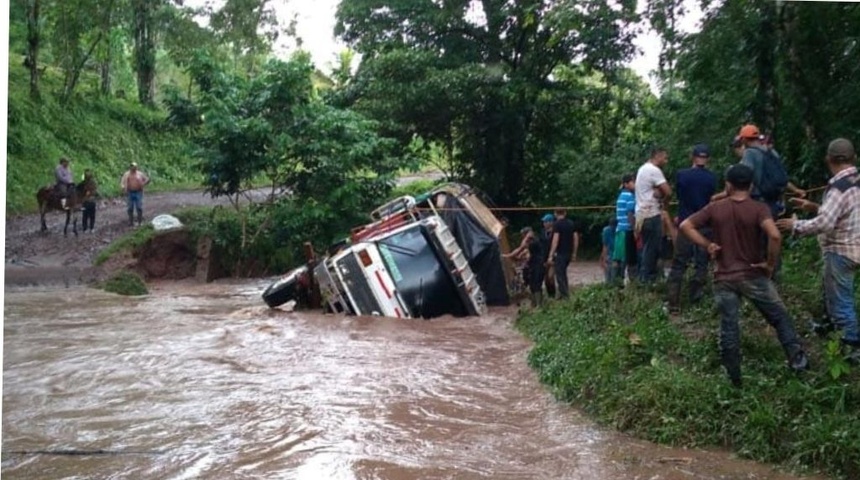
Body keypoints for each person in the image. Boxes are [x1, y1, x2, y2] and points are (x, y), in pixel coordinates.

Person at [680, 164, 809, 387]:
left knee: (729, 325)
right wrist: (769, 265)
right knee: (779, 317)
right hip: (753, 274)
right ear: (750, 185)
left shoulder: (715, 208)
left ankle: (734, 379)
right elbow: (775, 236)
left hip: (724, 277)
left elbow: (685, 225)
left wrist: (708, 244)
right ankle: (799, 365)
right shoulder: (759, 209)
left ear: (728, 185)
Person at [776, 138, 860, 360]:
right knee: (833, 293)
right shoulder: (856, 181)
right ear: (854, 158)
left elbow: (825, 224)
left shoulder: (838, 189)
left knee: (842, 300)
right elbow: (845, 213)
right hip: (855, 245)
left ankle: (852, 348)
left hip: (841, 250)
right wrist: (815, 207)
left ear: (829, 159)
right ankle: (830, 327)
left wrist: (795, 225)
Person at [666, 144, 717, 314]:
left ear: (693, 157)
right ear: (707, 159)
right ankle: (696, 299)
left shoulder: (682, 175)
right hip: (704, 224)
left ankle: (673, 304)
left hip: (686, 223)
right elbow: (711, 200)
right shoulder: (712, 178)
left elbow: (680, 196)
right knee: (701, 263)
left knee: (679, 262)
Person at [635, 147, 671, 284]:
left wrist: (658, 192)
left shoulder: (642, 169)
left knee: (646, 248)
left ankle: (644, 279)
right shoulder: (654, 171)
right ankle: (647, 281)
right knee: (652, 249)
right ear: (657, 156)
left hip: (641, 215)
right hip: (651, 214)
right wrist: (665, 207)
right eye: (664, 158)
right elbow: (668, 192)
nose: (666, 161)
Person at [505, 226, 546, 308]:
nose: (522, 237)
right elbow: (521, 251)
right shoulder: (531, 242)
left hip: (538, 265)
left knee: (536, 284)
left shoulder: (533, 242)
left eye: (523, 235)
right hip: (533, 265)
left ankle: (538, 304)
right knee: (532, 284)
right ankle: (535, 303)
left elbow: (521, 248)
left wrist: (509, 255)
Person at [546, 209, 580, 299]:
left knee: (560, 275)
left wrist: (551, 255)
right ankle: (564, 293)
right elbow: (576, 238)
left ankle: (565, 295)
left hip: (560, 253)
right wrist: (574, 253)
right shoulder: (571, 223)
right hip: (568, 253)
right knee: (563, 273)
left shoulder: (557, 225)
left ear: (555, 214)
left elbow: (555, 240)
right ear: (565, 213)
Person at [612, 174, 637, 285]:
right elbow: (630, 213)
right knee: (629, 259)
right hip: (627, 230)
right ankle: (630, 282)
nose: (635, 184)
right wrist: (634, 228)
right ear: (626, 184)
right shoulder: (630, 196)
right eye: (633, 182)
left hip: (620, 230)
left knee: (619, 258)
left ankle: (616, 282)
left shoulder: (621, 196)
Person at [120, 162, 150, 227]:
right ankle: (131, 222)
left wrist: (144, 183)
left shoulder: (140, 174)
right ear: (130, 167)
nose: (133, 168)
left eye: (134, 167)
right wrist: (123, 187)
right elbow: (122, 181)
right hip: (130, 192)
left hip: (138, 192)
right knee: (130, 208)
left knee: (139, 207)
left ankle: (140, 221)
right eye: (132, 167)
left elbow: (147, 179)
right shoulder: (127, 174)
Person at [540, 213, 557, 298]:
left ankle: (553, 293)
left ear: (550, 222)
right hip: (544, 257)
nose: (544, 224)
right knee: (546, 278)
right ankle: (550, 295)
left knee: (551, 277)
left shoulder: (556, 232)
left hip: (553, 257)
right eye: (544, 222)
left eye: (545, 222)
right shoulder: (542, 233)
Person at [600, 216, 617, 284]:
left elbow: (605, 246)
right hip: (618, 256)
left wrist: (603, 259)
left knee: (608, 278)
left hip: (610, 256)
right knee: (615, 277)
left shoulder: (606, 230)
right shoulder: (620, 231)